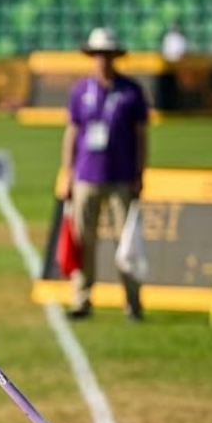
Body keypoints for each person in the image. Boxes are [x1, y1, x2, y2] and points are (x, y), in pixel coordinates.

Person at [58, 27, 150, 321]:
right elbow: (72, 133)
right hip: (86, 175)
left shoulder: (131, 91)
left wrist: (140, 172)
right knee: (84, 242)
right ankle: (82, 299)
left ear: (115, 56)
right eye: (98, 54)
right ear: (92, 56)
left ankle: (133, 303)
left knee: (126, 243)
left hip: (122, 176)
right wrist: (67, 171)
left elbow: (142, 135)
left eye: (107, 54)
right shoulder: (80, 90)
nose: (103, 59)